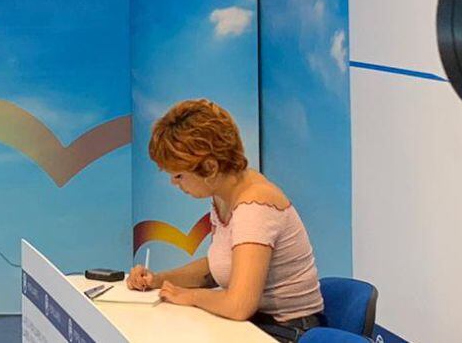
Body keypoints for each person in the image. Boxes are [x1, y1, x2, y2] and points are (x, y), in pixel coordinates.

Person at [126, 99, 324, 342]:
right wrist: (158, 280)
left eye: (179, 175)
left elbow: (239, 305)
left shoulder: (255, 206)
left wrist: (190, 296)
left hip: (286, 332)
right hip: (259, 325)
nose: (174, 183)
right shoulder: (224, 195)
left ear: (209, 168)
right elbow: (216, 267)